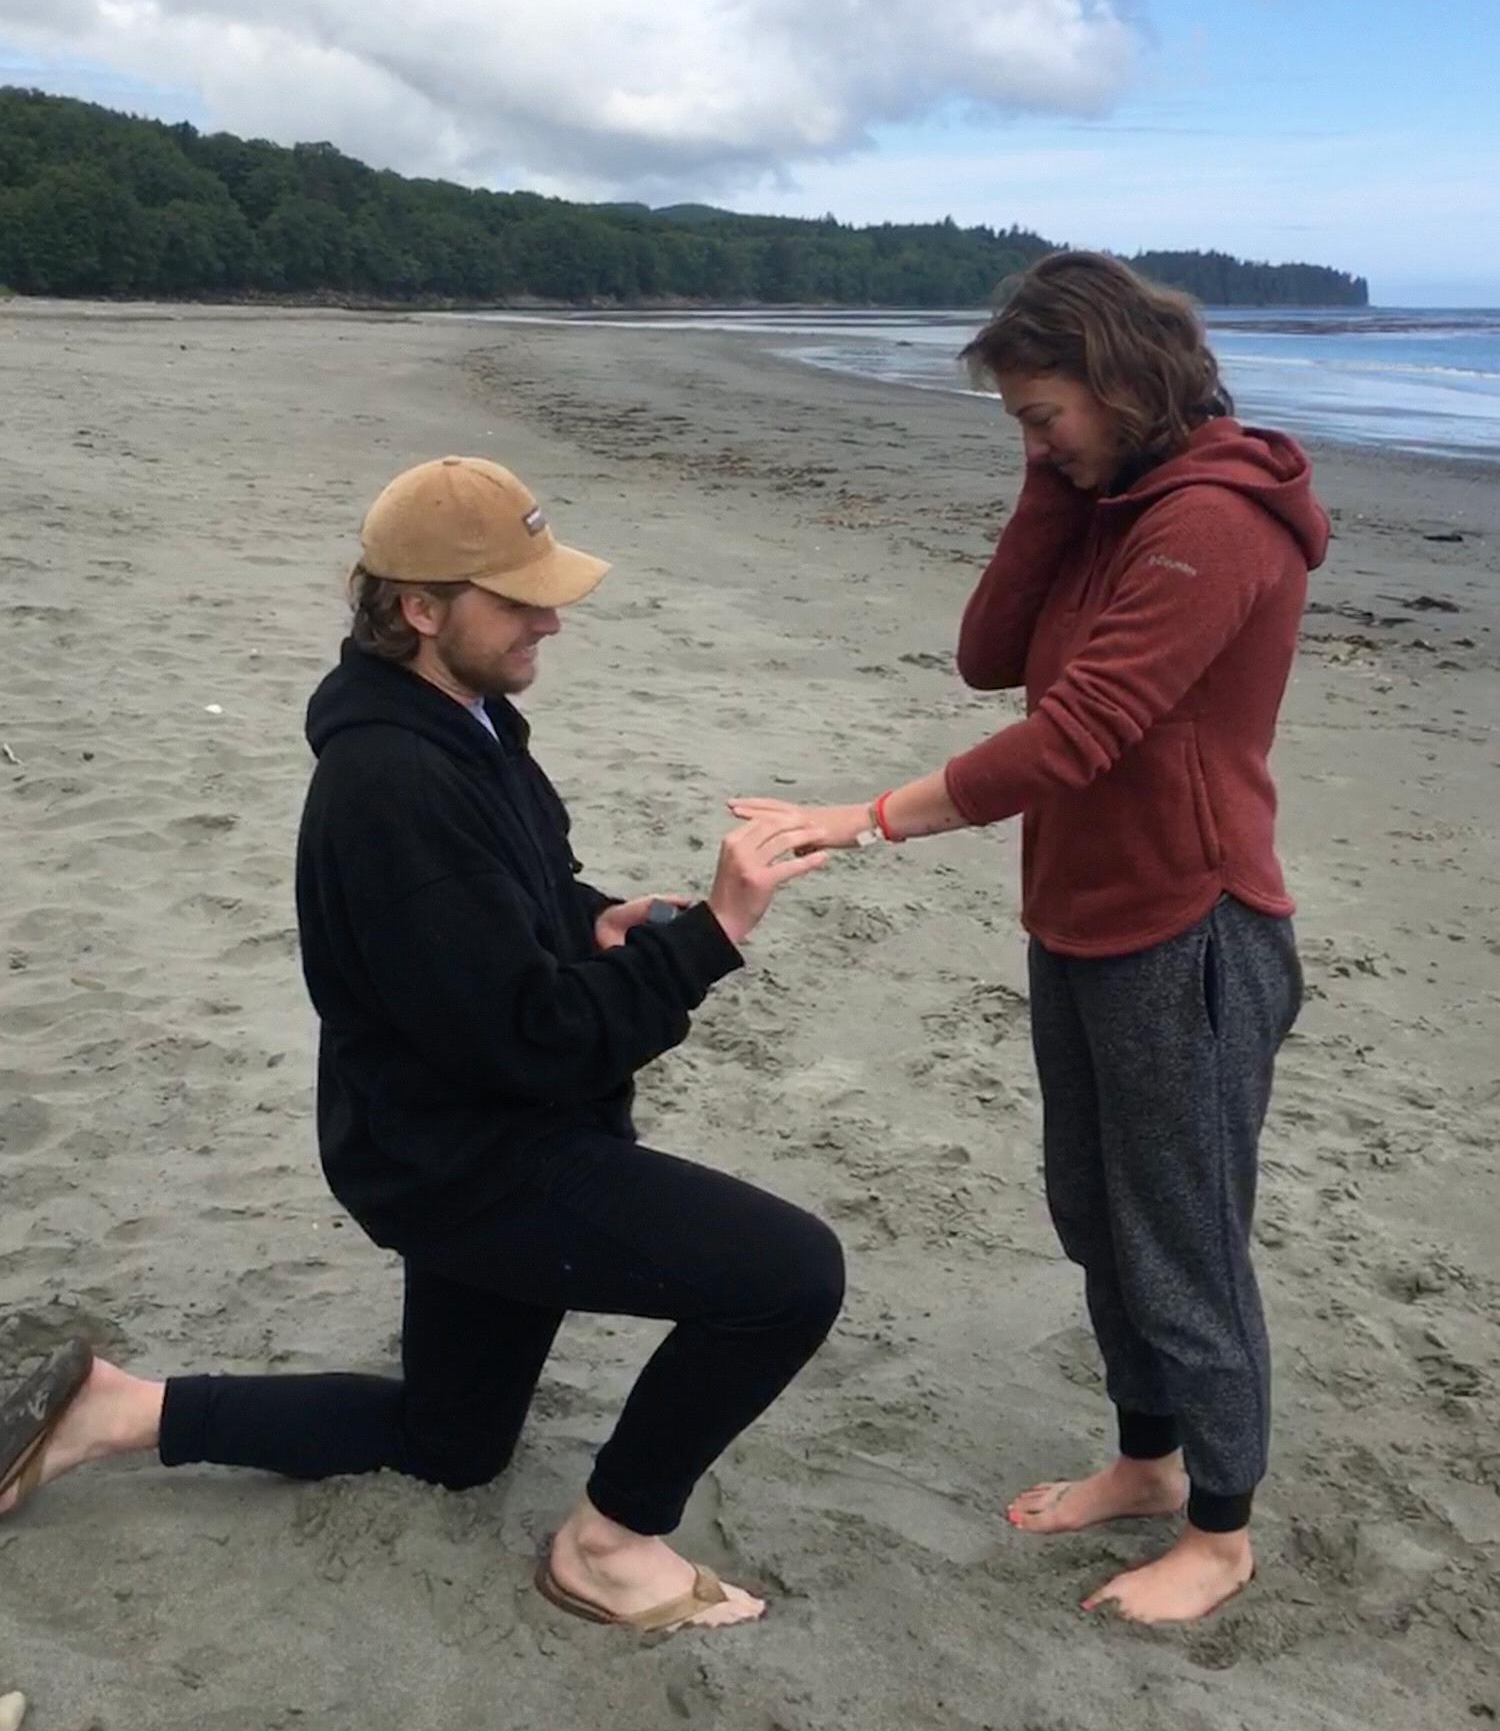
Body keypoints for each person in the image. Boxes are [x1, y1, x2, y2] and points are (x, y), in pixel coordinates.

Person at [0, 455, 843, 1636]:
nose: (551, 616)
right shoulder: (394, 780)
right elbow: (529, 1039)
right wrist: (710, 936)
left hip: (451, 1124)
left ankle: (118, 1408)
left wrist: (588, 917)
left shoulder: (468, 721)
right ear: (420, 607)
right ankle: (608, 1544)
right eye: (519, 597)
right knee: (789, 1277)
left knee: (451, 1446)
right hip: (470, 1161)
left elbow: (510, 901)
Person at [731, 252, 1328, 1625]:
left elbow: (1077, 731)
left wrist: (869, 817)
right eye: (1016, 419)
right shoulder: (1107, 503)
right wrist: (1047, 483)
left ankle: (1221, 1532)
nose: (1032, 434)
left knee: (1183, 1239)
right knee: (1091, 1209)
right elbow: (991, 653)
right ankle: (1147, 1460)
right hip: (1080, 914)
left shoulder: (1218, 523)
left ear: (1125, 382)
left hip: (1194, 927)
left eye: (1041, 412)